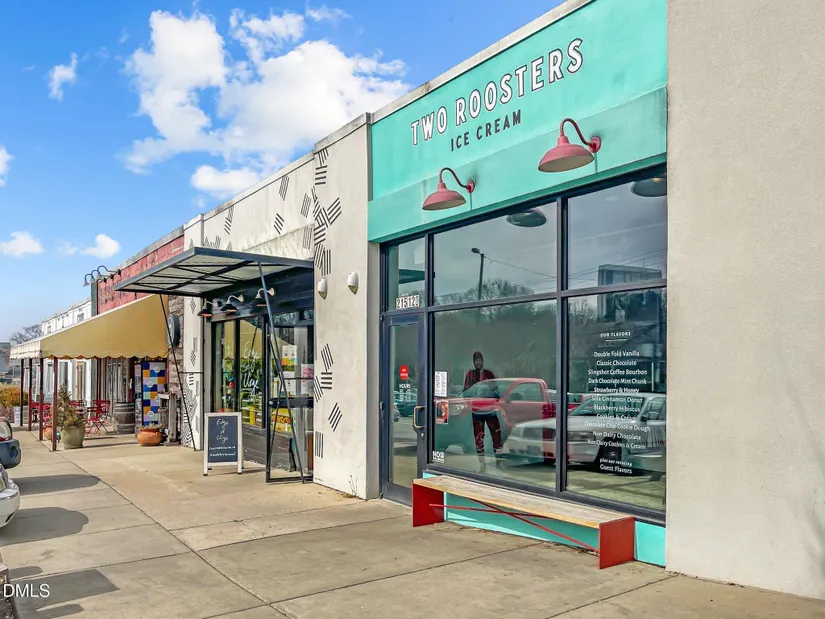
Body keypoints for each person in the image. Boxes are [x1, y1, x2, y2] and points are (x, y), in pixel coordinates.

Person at [463, 352, 502, 472]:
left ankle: (499, 462)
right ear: (474, 362)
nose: (478, 363)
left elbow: (497, 393)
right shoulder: (470, 375)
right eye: (476, 360)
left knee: (497, 437)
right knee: (479, 439)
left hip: (490, 411)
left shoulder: (489, 374)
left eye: (480, 360)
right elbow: (465, 393)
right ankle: (482, 465)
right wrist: (474, 393)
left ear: (483, 361)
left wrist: (489, 393)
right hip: (477, 412)